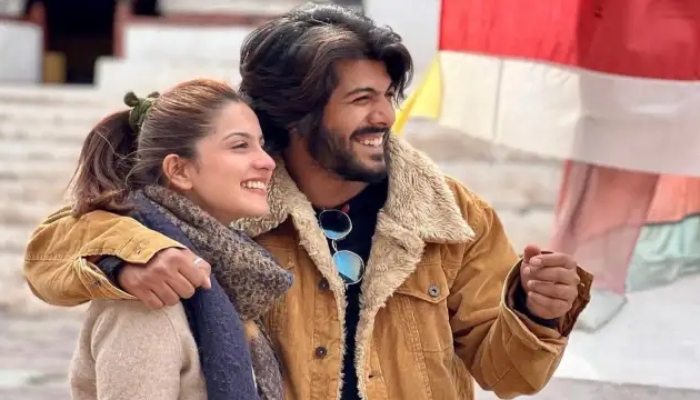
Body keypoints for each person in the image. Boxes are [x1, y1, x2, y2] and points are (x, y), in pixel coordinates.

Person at [24, 4, 592, 400]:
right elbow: (56, 244)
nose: (384, 116)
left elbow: (510, 376)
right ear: (297, 114)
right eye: (361, 98)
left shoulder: (452, 216)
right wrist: (134, 256)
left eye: (387, 96)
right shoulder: (230, 197)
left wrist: (537, 313)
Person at [55, 79, 292, 400]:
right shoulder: (149, 297)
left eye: (261, 145)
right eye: (240, 145)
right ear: (179, 170)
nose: (267, 162)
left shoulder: (225, 273)